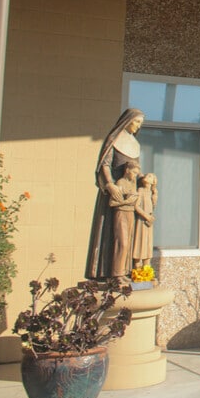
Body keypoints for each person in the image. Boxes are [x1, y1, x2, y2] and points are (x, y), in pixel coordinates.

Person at [86, 108, 145, 281]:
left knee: (128, 237)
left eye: (140, 123)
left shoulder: (134, 143)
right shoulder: (114, 139)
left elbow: (136, 169)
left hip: (129, 197)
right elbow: (105, 164)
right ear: (127, 121)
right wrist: (110, 184)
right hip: (115, 194)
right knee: (116, 235)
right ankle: (111, 272)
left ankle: (123, 271)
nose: (138, 126)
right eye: (136, 122)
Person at [132, 172, 157, 270]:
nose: (147, 176)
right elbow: (136, 206)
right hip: (141, 221)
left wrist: (155, 195)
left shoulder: (151, 193)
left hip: (149, 223)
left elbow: (153, 207)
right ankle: (137, 266)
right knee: (140, 242)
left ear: (153, 181)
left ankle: (146, 268)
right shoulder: (141, 190)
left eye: (150, 176)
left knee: (148, 243)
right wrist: (145, 215)